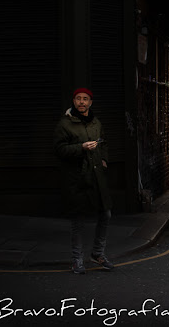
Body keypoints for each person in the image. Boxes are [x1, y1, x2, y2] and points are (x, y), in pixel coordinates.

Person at [54, 87, 114, 274]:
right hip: (78, 178)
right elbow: (59, 149)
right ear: (73, 101)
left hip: (97, 177)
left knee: (106, 214)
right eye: (78, 98)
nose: (81, 102)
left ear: (90, 102)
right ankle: (77, 259)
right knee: (78, 220)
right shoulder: (64, 124)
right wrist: (81, 147)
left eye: (85, 99)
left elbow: (104, 142)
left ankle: (97, 253)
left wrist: (103, 160)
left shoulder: (96, 122)